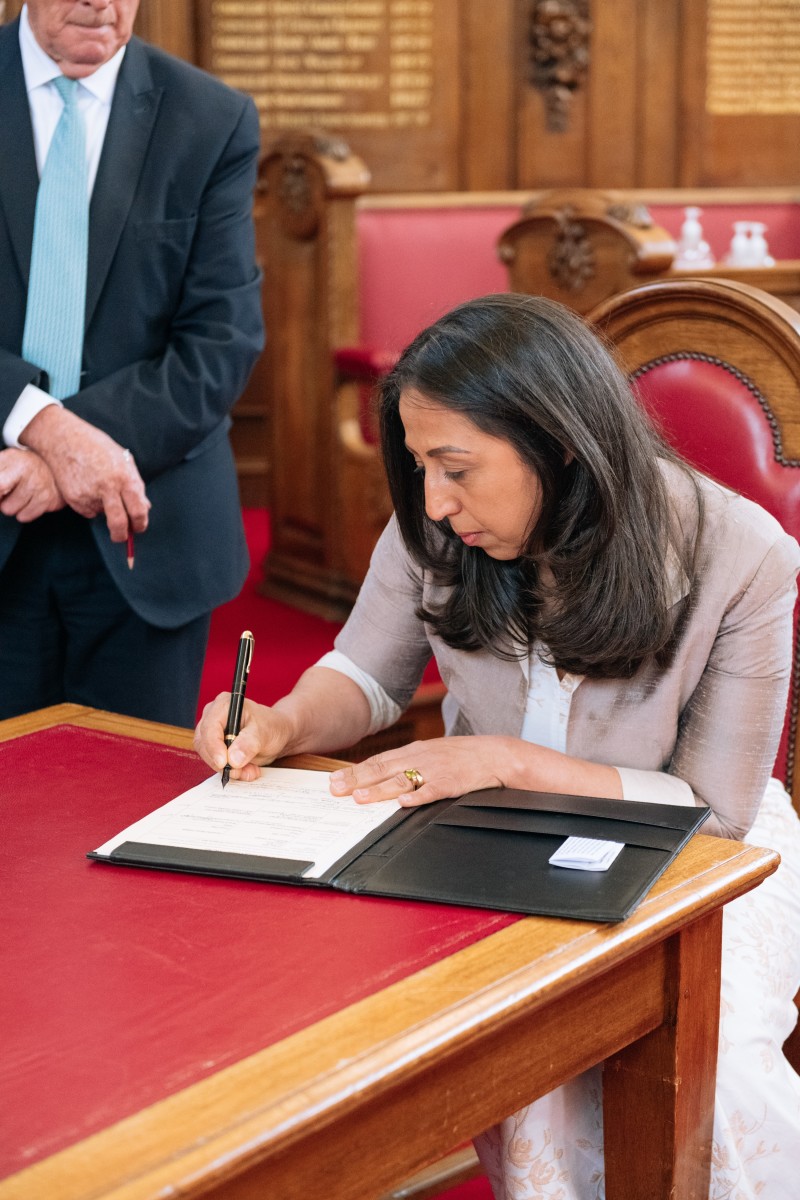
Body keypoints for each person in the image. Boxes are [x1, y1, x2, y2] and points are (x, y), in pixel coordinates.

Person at [194, 293, 800, 1198]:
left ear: (559, 444)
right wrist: (281, 722)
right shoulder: (436, 528)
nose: (435, 502)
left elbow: (717, 813)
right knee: (501, 1045)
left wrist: (506, 762)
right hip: (492, 835)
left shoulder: (744, 555)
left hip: (700, 860)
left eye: (456, 468)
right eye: (419, 466)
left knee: (710, 1066)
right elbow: (364, 676)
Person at [0, 1, 264, 727]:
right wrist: (44, 427)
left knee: (125, 819)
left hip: (148, 531)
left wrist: (61, 454)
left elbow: (222, 339)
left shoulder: (212, 119)